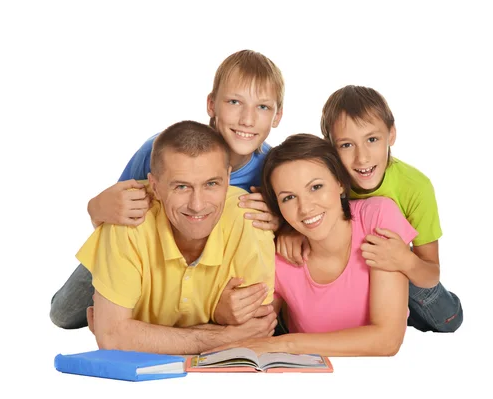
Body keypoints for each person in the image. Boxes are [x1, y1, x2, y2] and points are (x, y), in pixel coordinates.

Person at [50, 49, 284, 329]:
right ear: (211, 104)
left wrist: (281, 222)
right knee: (63, 313)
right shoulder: (162, 150)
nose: (247, 119)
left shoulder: (275, 169)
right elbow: (117, 225)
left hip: (216, 266)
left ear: (277, 116)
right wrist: (95, 208)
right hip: (153, 258)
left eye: (262, 107)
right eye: (234, 102)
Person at [78, 120, 277, 355]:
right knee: (63, 311)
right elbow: (112, 337)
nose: (197, 205)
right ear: (155, 186)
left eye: (212, 184)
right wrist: (221, 333)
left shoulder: (251, 219)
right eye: (181, 187)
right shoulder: (128, 219)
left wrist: (136, 333)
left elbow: (256, 330)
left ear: (228, 178)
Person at [209, 133, 416, 356]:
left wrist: (286, 344)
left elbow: (388, 341)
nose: (305, 208)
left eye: (316, 187)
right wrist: (221, 312)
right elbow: (253, 334)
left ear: (339, 182)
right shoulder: (278, 257)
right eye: (288, 198)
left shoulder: (377, 216)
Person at [277, 85, 463, 333]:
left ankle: (408, 311)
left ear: (392, 134)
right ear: (329, 147)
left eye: (372, 139)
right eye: (346, 145)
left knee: (448, 317)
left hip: (403, 268)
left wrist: (404, 260)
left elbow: (430, 272)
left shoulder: (416, 187)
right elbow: (307, 210)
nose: (362, 158)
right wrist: (292, 231)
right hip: (358, 279)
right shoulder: (328, 182)